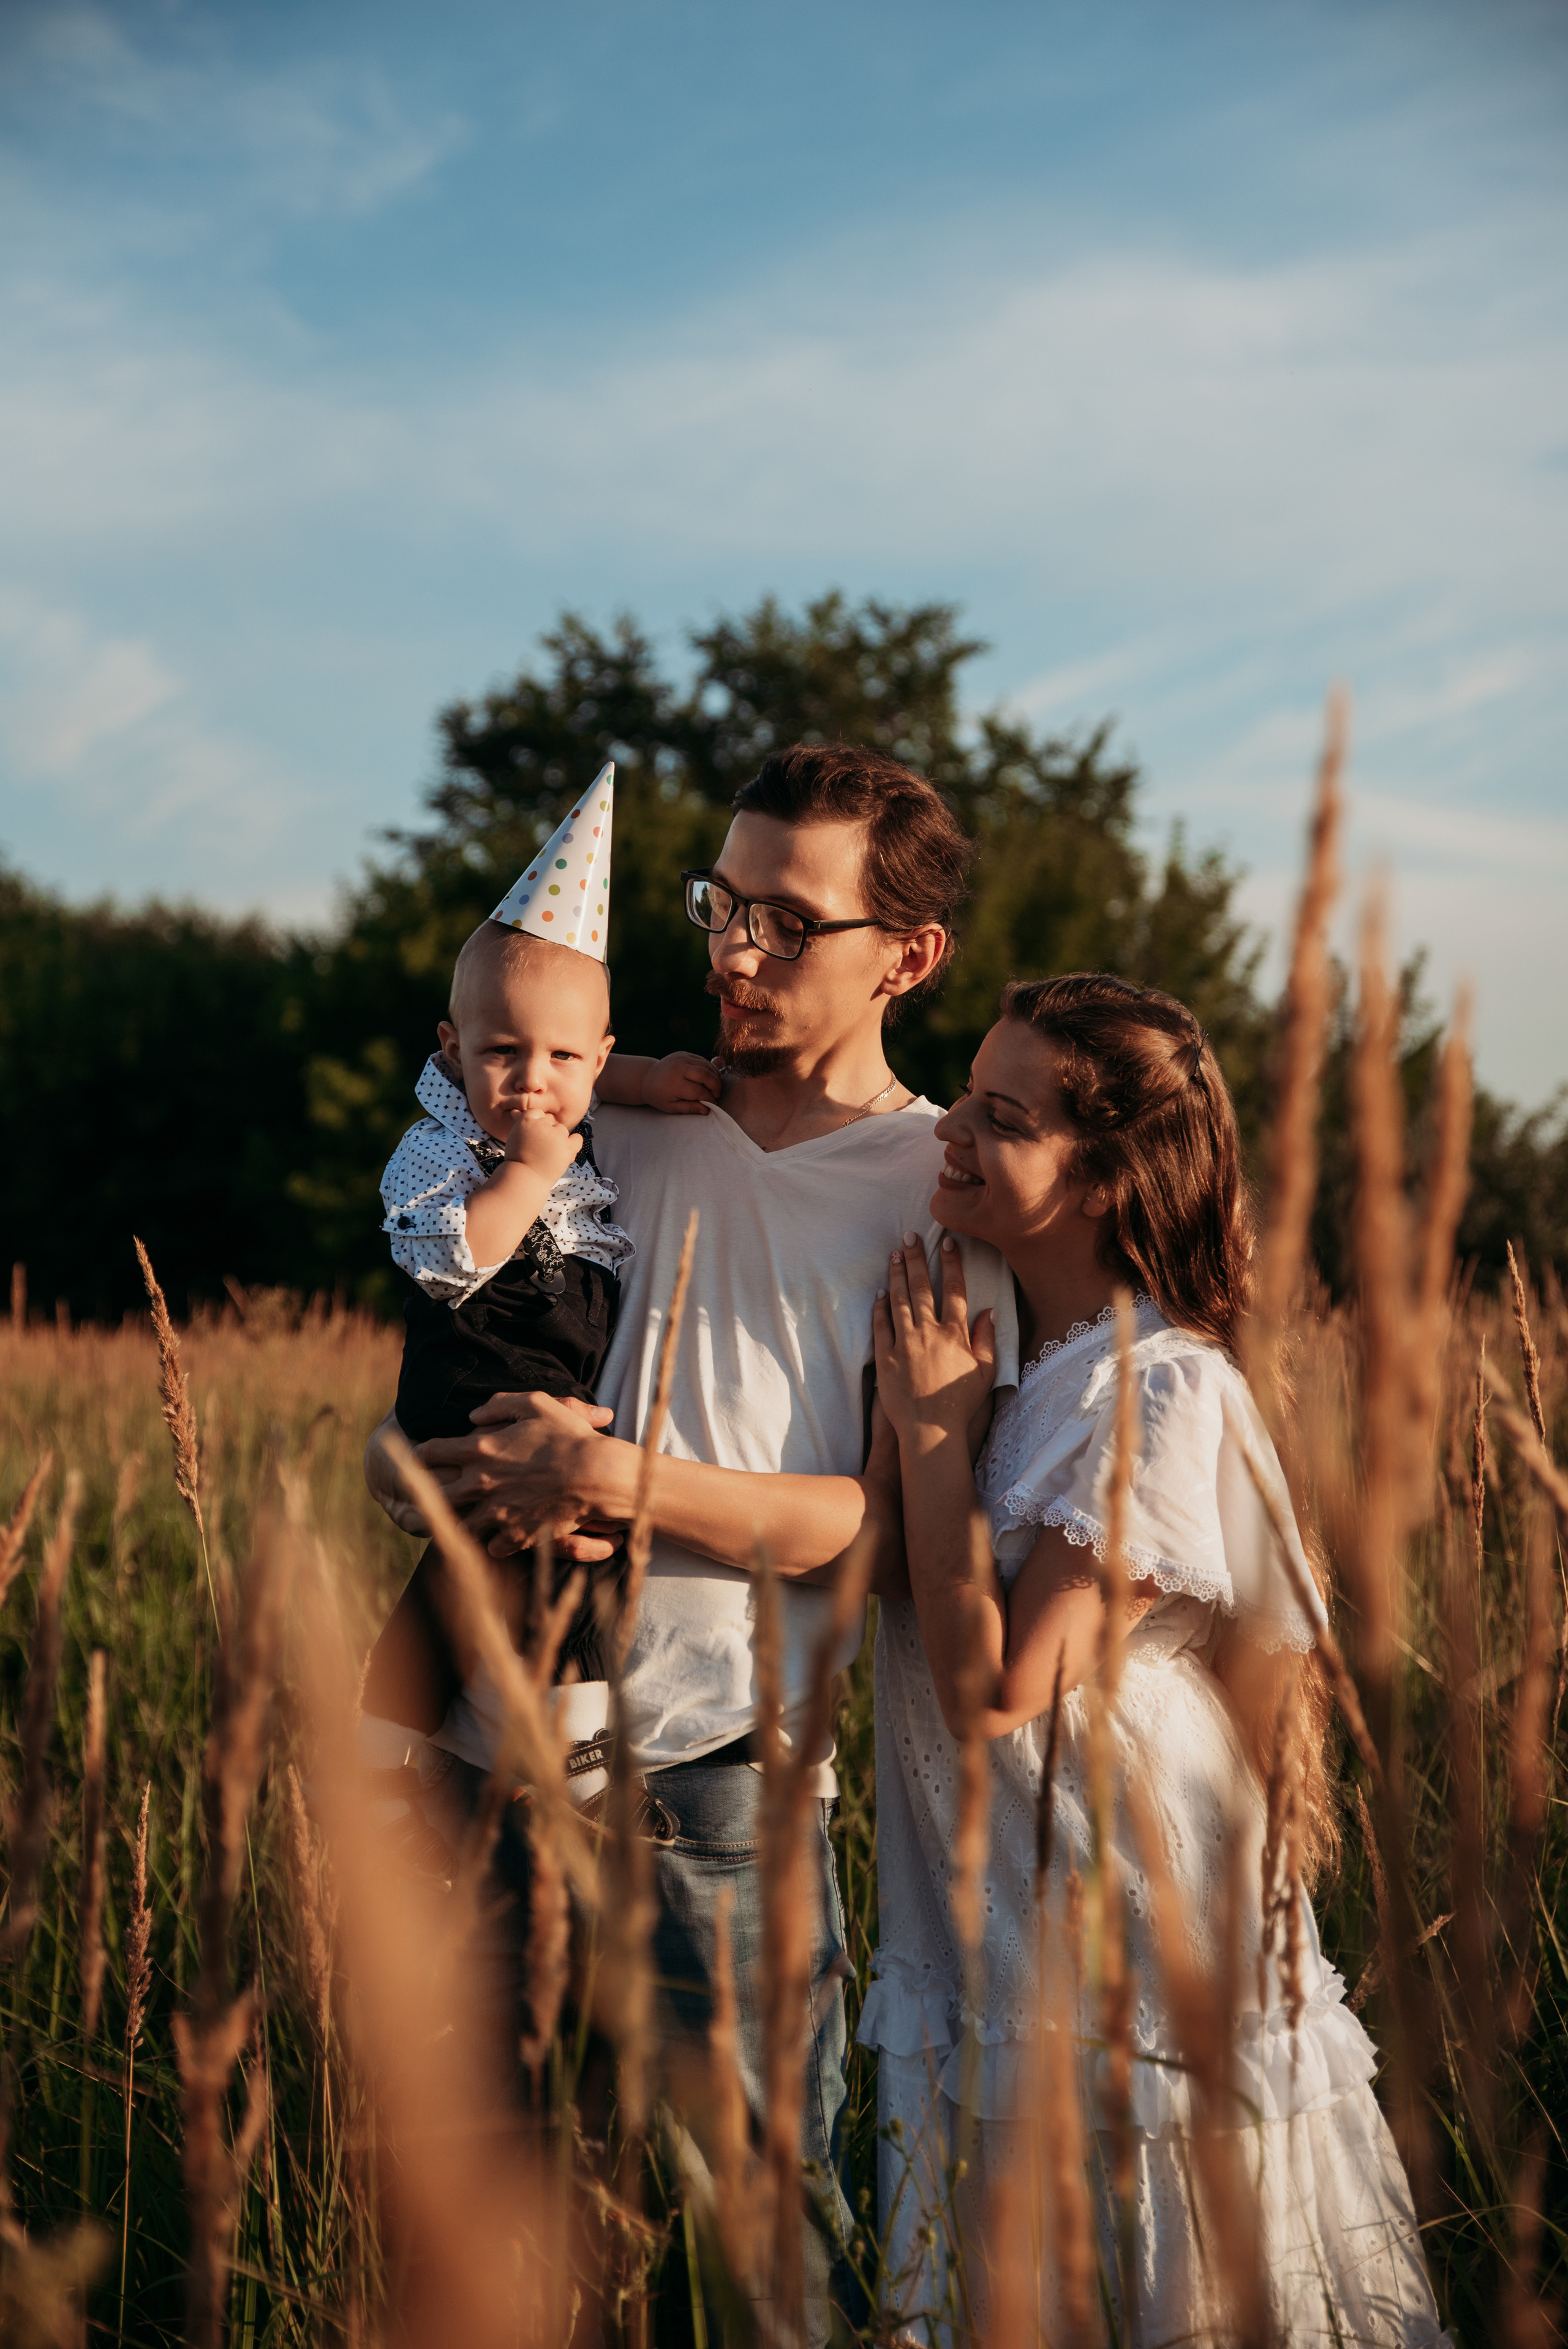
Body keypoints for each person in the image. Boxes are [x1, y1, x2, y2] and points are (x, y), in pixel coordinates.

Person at [364, 742, 1018, 2343]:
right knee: (490, 2238)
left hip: (728, 1774)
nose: (733, 950)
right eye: (722, 904)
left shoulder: (937, 1200)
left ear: (911, 958)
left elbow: (889, 1537)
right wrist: (422, 1471)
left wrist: (620, 1485)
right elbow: (463, 1359)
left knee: (767, 2251)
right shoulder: (609, 1119)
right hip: (490, 1737)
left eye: (788, 923)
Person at [862, 972, 1451, 2347]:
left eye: (1000, 1116)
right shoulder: (1019, 1351)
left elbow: (997, 1691)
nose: (949, 1125)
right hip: (989, 1904)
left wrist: (939, 1441)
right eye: (966, 1087)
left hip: (1113, 1919)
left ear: (1105, 1182)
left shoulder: (1165, 1387)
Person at [363, 763, 718, 1777]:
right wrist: (522, 1174)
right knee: (496, 1562)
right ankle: (401, 1739)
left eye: (563, 1060)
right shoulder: (445, 1144)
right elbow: (452, 1257)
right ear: (453, 1050)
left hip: (553, 1394)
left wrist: (660, 1077)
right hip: (469, 1376)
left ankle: (567, 1733)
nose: (533, 1083)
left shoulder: (577, 1098)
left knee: (559, 1558)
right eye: (503, 1054)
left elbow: (602, 1080)